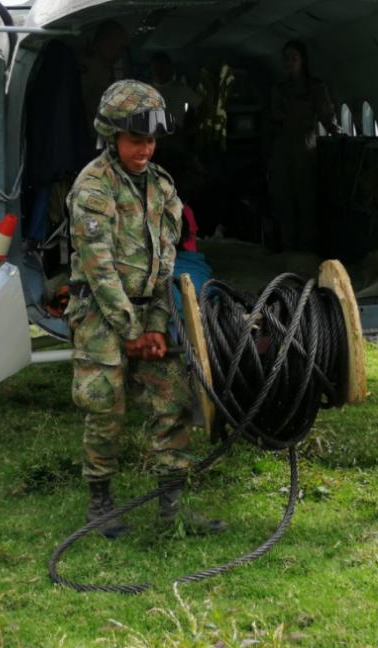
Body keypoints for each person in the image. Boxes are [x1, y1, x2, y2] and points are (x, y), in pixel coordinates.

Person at [67, 80, 225, 538]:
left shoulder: (161, 188)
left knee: (172, 398)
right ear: (112, 135)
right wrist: (130, 329)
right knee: (104, 407)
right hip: (101, 313)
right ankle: (100, 504)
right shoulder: (93, 188)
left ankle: (171, 506)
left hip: (147, 314)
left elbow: (165, 264)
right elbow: (99, 272)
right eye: (136, 139)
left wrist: (155, 326)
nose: (145, 149)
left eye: (151, 140)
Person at [269, 41, 339, 252]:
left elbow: (327, 116)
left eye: (294, 58)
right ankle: (289, 248)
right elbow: (274, 117)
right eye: (286, 58)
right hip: (283, 148)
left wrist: (337, 132)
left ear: (303, 60)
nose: (289, 63)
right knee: (285, 200)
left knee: (307, 201)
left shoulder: (316, 87)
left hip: (305, 147)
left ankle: (308, 249)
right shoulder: (279, 89)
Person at [79, 21, 130, 132]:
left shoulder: (103, 65)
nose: (119, 54)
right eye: (119, 48)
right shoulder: (91, 65)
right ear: (107, 43)